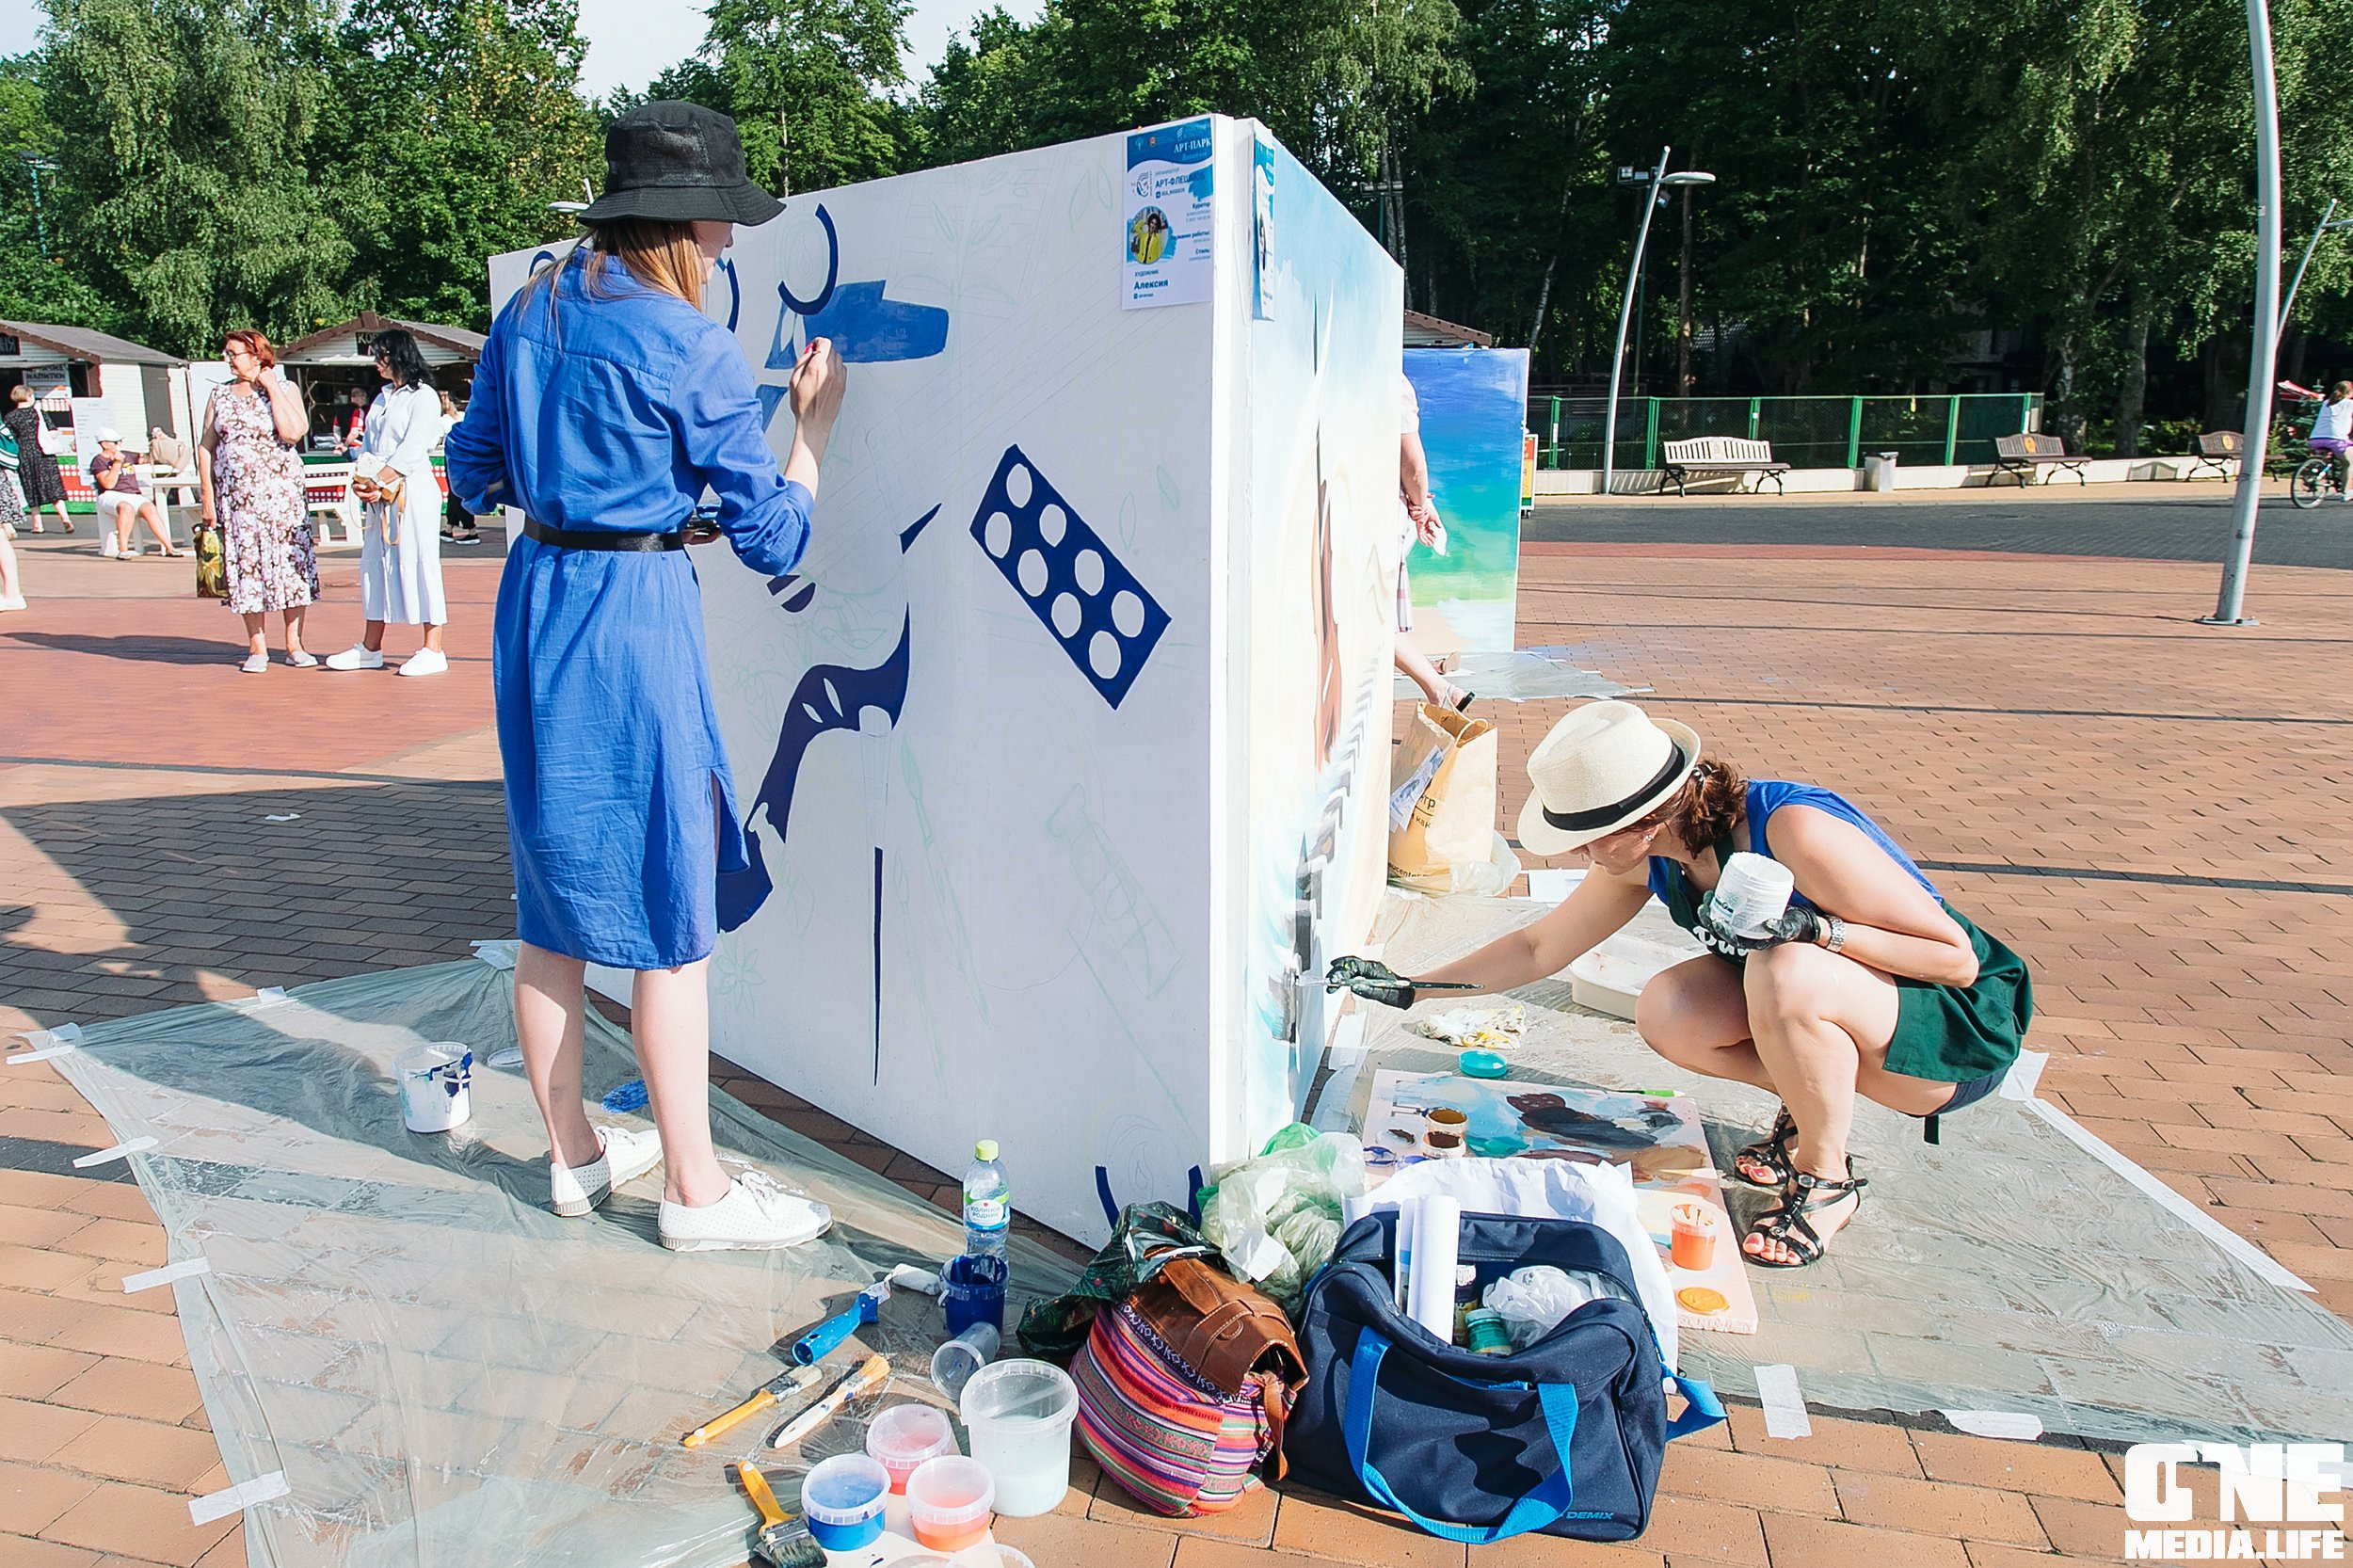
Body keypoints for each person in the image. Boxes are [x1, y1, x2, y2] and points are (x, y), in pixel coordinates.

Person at [444, 100, 848, 1252]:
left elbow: (474, 471)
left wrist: (616, 498)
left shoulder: (529, 311)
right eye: (723, 222)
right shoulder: (690, 342)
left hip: (537, 601)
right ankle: (694, 1189)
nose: (731, 243)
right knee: (670, 908)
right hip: (629, 619)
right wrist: (809, 432)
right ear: (685, 223)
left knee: (552, 896)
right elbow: (774, 537)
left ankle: (572, 1156)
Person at [1328, 699, 2032, 1269]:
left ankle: (1827, 1176)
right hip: (1844, 1009)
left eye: (1586, 836)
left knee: (1782, 968)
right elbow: (1540, 946)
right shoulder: (1648, 857)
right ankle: (1808, 1102)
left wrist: (1814, 932)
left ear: (1646, 820)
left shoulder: (1793, 830)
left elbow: (1954, 961)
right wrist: (1413, 986)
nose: (1579, 852)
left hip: (1948, 1037)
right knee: (1670, 1009)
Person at [326, 330, 449, 676]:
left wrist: (382, 480)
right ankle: (370, 646)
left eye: (381, 355)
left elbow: (413, 447)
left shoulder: (423, 397)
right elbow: (369, 446)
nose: (376, 362)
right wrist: (365, 480)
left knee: (420, 559)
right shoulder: (381, 398)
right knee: (375, 563)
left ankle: (433, 646)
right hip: (381, 493)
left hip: (410, 490)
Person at [199, 329, 320, 672]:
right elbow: (206, 446)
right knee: (247, 567)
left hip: (282, 497)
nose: (227, 359)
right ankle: (257, 646)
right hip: (239, 500)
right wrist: (207, 495)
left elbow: (293, 432)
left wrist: (270, 387)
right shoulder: (219, 395)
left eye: (233, 353)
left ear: (256, 355)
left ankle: (294, 644)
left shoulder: (284, 388)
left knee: (289, 566)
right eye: (226, 353)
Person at [1393, 373, 1471, 712]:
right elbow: (1412, 463)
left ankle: (1439, 687)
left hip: (1346, 510)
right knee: (1376, 617)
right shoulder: (1392, 382)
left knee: (1372, 617)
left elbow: (1410, 466)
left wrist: (1422, 505)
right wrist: (1421, 505)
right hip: (1380, 513)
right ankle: (1440, 688)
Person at [87, 429, 180, 560]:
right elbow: (108, 484)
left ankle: (169, 547)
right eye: (116, 442)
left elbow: (148, 458)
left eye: (120, 441)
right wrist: (117, 464)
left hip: (133, 494)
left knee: (151, 509)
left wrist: (159, 442)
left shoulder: (127, 455)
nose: (119, 444)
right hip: (111, 495)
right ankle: (123, 549)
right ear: (105, 444)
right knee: (126, 508)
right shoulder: (99, 461)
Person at [5, 386, 72, 536]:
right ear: (28, 396)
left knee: (31, 488)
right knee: (53, 487)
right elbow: (53, 432)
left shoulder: (10, 417)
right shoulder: (39, 413)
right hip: (44, 453)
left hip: (25, 455)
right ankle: (65, 518)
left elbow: (9, 439)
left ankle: (38, 524)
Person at [437, 388, 479, 544]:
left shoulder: (462, 417)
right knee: (454, 493)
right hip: (453, 458)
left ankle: (470, 529)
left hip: (464, 457)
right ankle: (450, 527)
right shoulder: (442, 420)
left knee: (458, 493)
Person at [2309, 381, 2353, 493]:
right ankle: (2345, 491)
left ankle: (2313, 475)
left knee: (2334, 459)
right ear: (2350, 392)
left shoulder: (2326, 403)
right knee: (2349, 463)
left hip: (2316, 438)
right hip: (2336, 439)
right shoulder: (2349, 403)